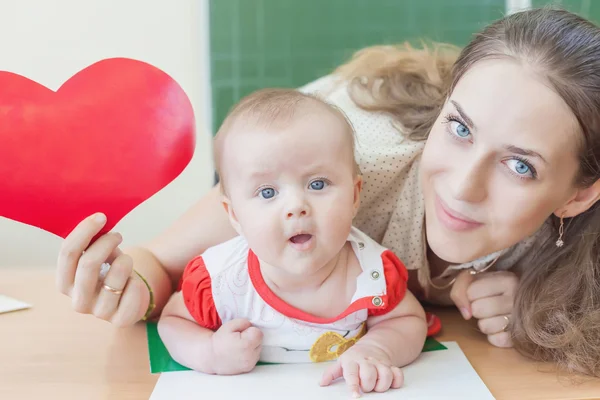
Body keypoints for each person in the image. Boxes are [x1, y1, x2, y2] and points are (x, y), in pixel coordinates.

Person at [56, 7, 600, 377]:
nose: (462, 186)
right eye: (459, 128)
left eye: (519, 167)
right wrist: (129, 289)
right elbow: (155, 265)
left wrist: (537, 307)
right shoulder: (334, 162)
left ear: (578, 196)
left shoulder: (582, 236)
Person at [157, 88, 427, 395]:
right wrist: (209, 352)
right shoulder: (220, 281)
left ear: (354, 196)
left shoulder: (373, 273)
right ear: (234, 215)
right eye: (268, 192)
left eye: (317, 184)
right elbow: (173, 321)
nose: (296, 205)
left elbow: (408, 319)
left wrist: (378, 348)